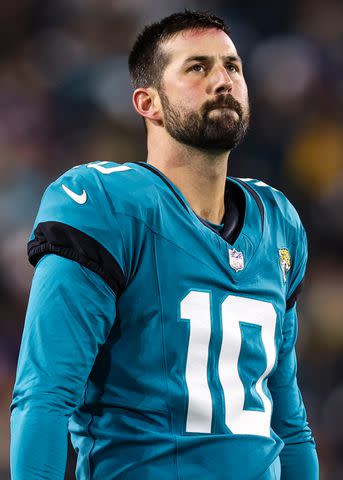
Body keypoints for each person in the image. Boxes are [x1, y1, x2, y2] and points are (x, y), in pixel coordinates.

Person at [10, 10, 319, 480]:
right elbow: (45, 395)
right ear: (147, 102)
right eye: (197, 67)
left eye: (232, 66)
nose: (223, 80)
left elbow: (288, 422)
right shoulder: (105, 204)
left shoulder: (277, 223)